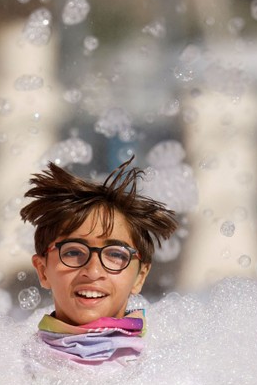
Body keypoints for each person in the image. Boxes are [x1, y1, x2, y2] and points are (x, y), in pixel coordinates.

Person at [19, 157, 178, 368]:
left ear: (140, 276)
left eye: (116, 255)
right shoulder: (15, 365)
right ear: (43, 270)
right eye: (73, 251)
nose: (93, 271)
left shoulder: (165, 366)